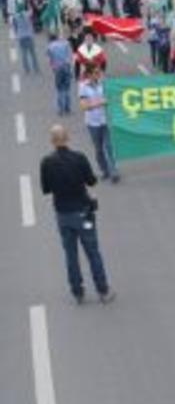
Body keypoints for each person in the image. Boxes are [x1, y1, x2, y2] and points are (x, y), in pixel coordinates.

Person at [40, 125, 117, 305]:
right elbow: (91, 181)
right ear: (67, 138)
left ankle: (77, 292)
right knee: (93, 252)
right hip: (83, 213)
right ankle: (103, 290)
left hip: (63, 214)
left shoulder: (46, 162)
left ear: (52, 141)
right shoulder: (79, 158)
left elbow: (45, 189)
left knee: (70, 254)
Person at [79, 64, 120, 183]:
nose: (99, 75)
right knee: (98, 149)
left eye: (99, 72)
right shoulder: (83, 87)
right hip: (93, 123)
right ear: (89, 74)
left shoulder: (104, 84)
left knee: (109, 147)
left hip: (106, 120)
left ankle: (113, 172)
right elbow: (84, 106)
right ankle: (104, 170)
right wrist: (100, 103)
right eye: (96, 73)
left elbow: (113, 97)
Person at [47, 32, 74, 116]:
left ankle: (60, 109)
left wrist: (52, 67)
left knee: (59, 90)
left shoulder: (50, 47)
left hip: (58, 69)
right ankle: (67, 108)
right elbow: (69, 48)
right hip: (66, 67)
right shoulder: (64, 44)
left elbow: (50, 60)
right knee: (67, 89)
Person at [13, 7, 39, 74]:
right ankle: (36, 68)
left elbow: (15, 27)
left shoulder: (15, 16)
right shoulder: (28, 14)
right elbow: (32, 11)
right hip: (29, 35)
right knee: (33, 53)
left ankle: (27, 69)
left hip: (21, 36)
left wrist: (17, 34)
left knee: (24, 54)